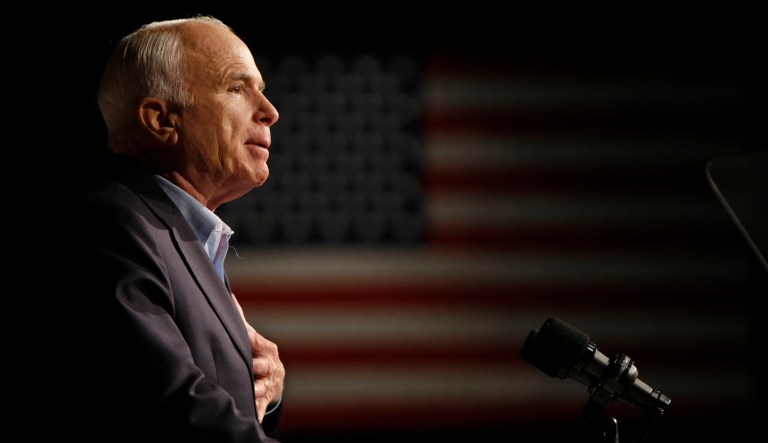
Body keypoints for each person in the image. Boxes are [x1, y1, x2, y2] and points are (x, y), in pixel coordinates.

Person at [23, 15, 285, 442]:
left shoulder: (184, 234)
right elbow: (176, 411)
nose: (270, 112)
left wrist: (266, 392)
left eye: (261, 89)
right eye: (237, 88)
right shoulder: (113, 228)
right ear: (161, 120)